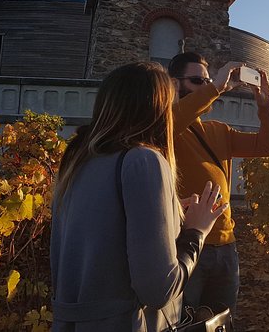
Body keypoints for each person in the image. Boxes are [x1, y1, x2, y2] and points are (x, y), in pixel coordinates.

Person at [50, 62, 227, 332]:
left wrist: (168, 212)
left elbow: (102, 233)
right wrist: (196, 231)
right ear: (158, 110)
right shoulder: (143, 161)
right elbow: (159, 290)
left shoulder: (77, 160)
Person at [168, 52, 269, 315]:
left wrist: (265, 106)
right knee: (181, 322)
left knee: (220, 322)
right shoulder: (164, 126)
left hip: (226, 247)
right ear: (174, 84)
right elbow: (171, 120)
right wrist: (217, 86)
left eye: (208, 80)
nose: (207, 85)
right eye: (198, 81)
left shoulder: (218, 130)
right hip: (186, 245)